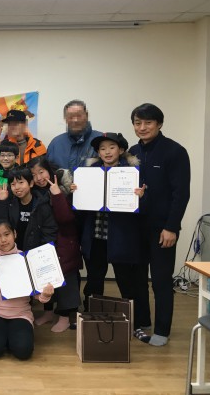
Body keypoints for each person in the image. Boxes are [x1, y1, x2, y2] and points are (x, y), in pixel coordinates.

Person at [74, 133, 148, 340]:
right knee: (94, 281)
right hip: (96, 237)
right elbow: (80, 211)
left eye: (112, 147)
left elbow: (141, 211)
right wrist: (77, 192)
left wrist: (140, 198)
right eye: (102, 148)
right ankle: (90, 319)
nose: (107, 152)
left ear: (121, 150)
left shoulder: (131, 174)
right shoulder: (89, 174)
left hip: (121, 239)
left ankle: (134, 324)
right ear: (98, 152)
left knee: (126, 282)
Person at [128, 104, 191, 347]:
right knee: (138, 279)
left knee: (161, 281)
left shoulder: (175, 151)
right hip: (136, 227)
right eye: (138, 123)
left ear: (159, 124)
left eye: (148, 123)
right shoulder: (132, 152)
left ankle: (162, 330)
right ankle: (143, 321)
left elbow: (181, 194)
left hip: (162, 228)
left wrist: (171, 227)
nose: (142, 127)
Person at [0, 220, 54, 360]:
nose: (3, 240)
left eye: (6, 234)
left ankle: (10, 337)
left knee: (23, 351)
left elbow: (37, 295)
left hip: (21, 313)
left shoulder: (26, 258)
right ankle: (5, 337)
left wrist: (45, 295)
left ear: (15, 234)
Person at [28, 156, 81, 333]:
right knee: (45, 277)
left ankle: (65, 316)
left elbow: (66, 219)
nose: (38, 178)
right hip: (45, 242)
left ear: (49, 171)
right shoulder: (36, 192)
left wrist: (57, 194)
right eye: (34, 175)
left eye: (41, 172)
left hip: (65, 242)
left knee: (66, 279)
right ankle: (48, 312)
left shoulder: (66, 189)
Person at [0, 166, 57, 251]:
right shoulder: (10, 203)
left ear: (31, 183)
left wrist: (40, 252)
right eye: (13, 184)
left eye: (21, 182)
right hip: (13, 252)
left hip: (35, 253)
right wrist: (2, 202)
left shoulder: (42, 204)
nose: (17, 187)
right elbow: (1, 225)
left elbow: (49, 232)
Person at [46, 100, 102, 170]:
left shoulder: (101, 140)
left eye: (79, 115)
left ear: (87, 115)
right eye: (71, 116)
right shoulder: (55, 144)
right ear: (65, 118)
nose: (75, 120)